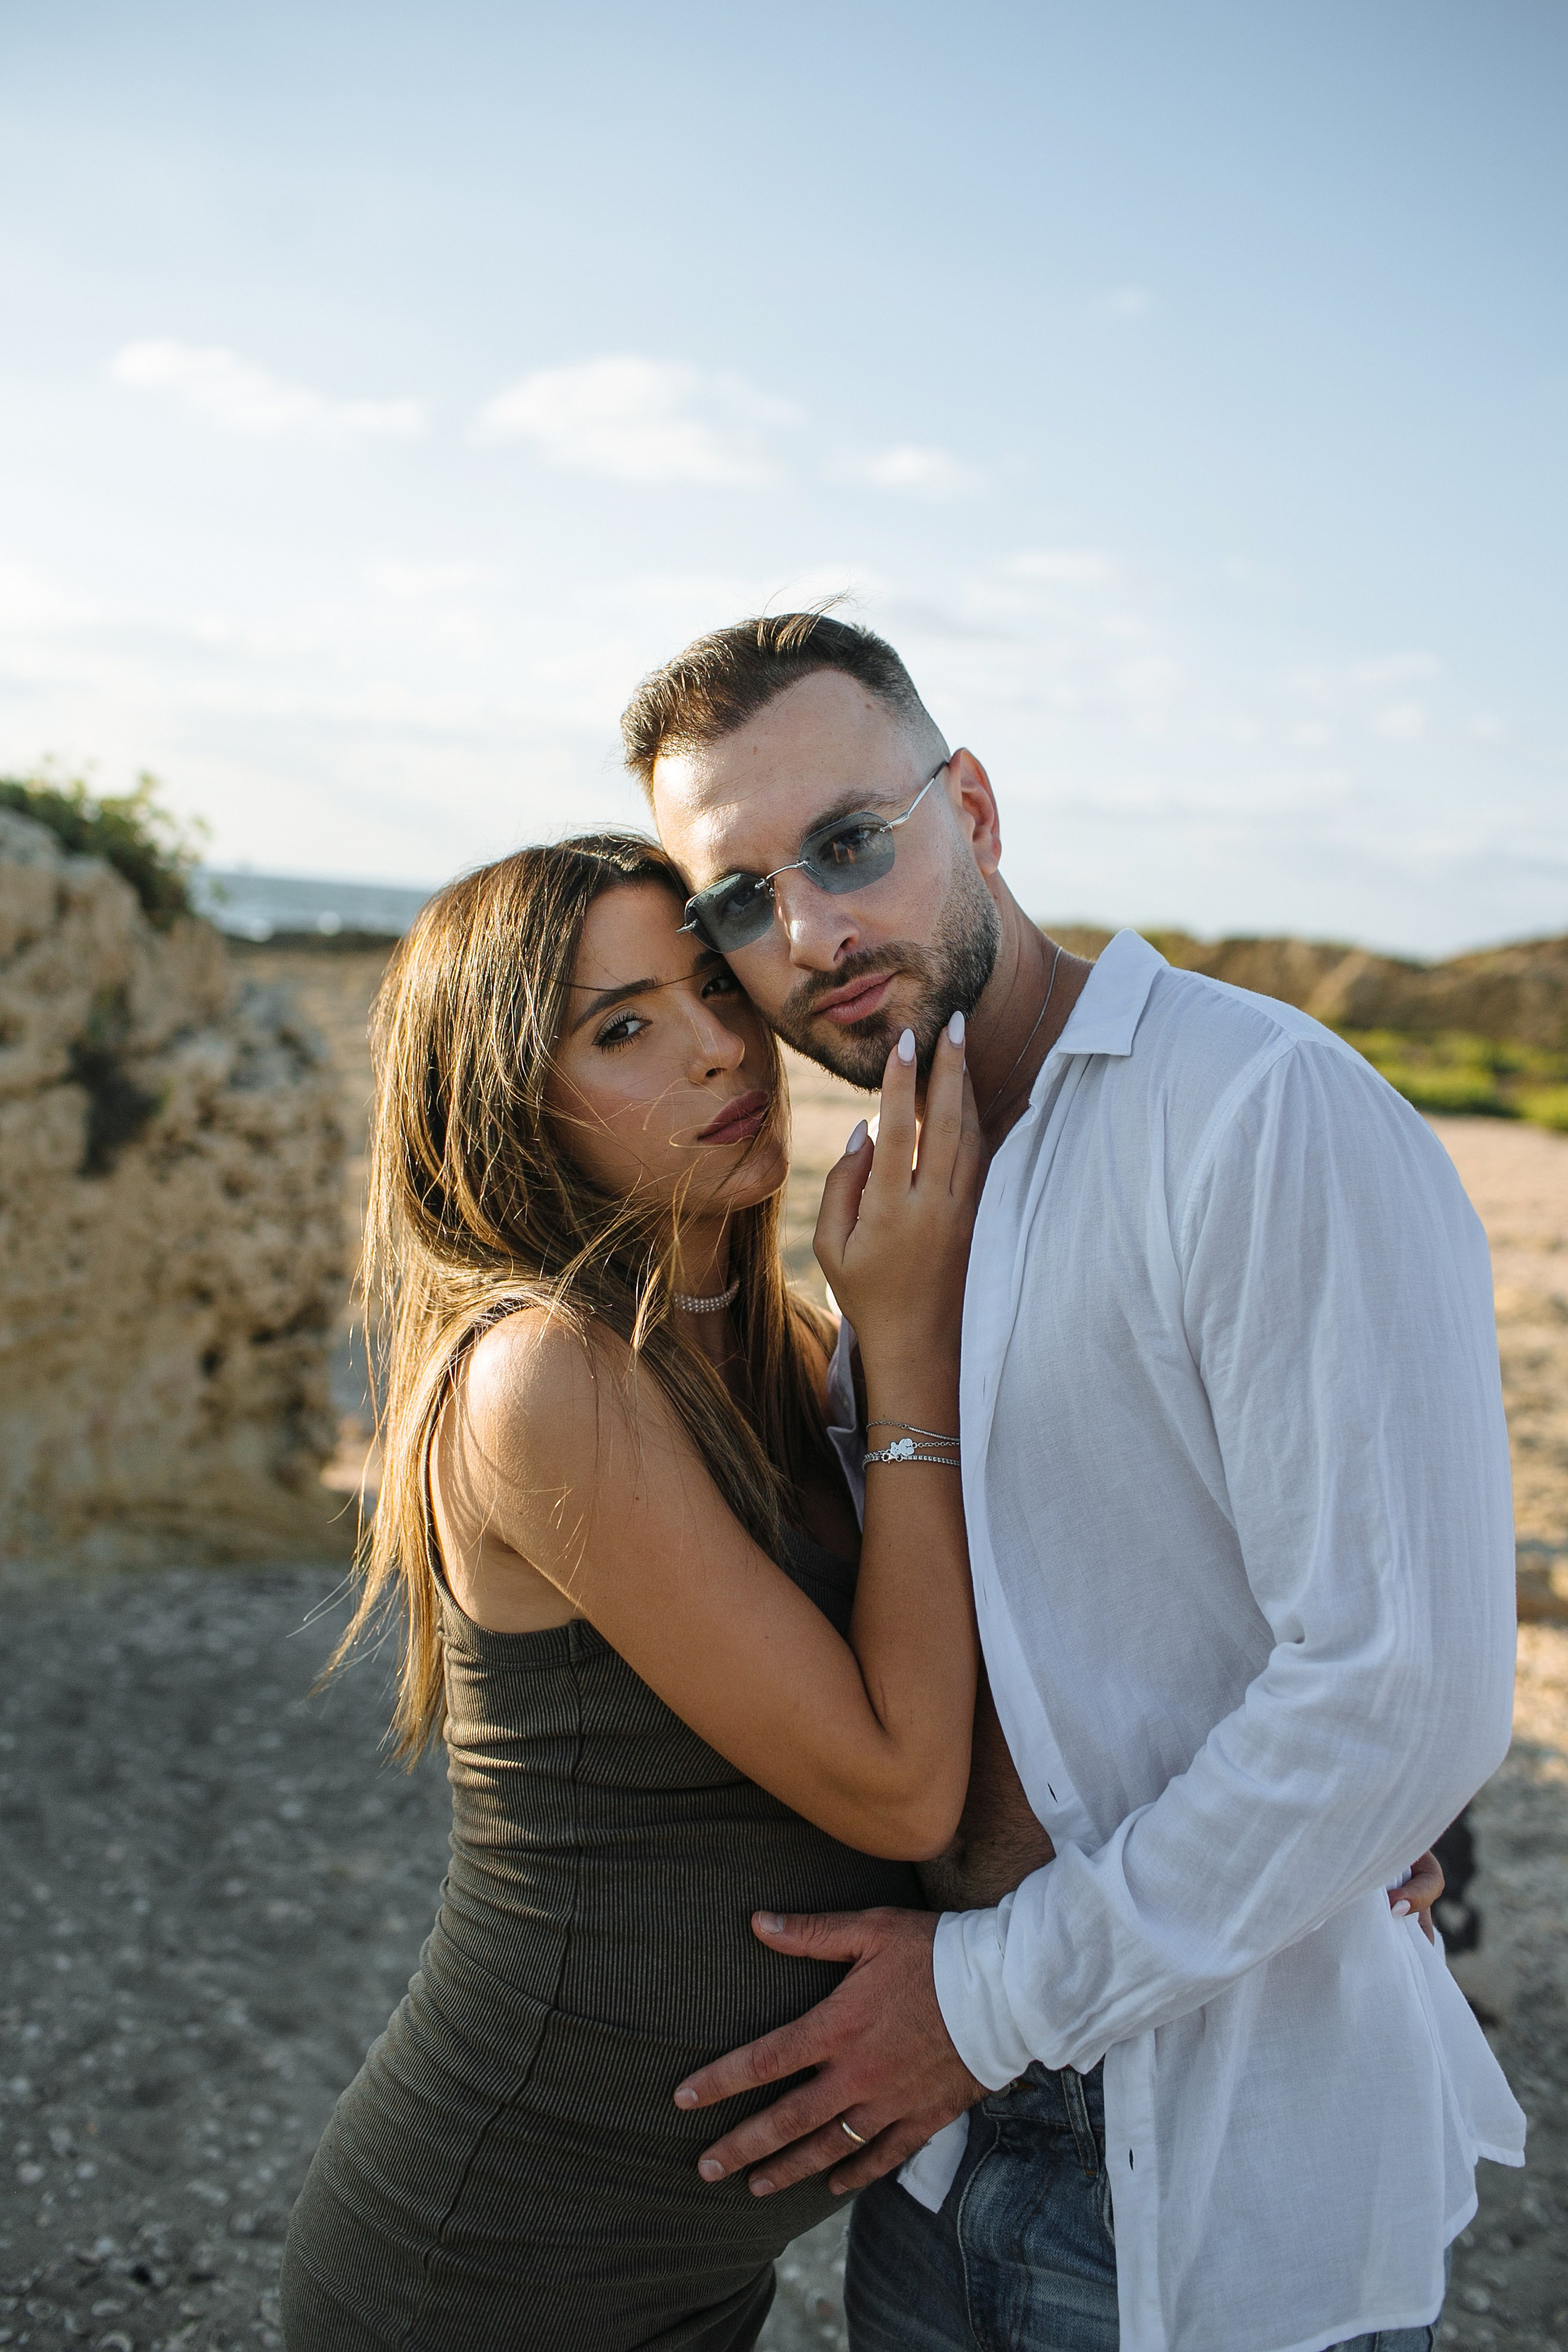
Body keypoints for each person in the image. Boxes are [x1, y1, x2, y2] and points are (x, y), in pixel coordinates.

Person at [627, 612, 1527, 2352]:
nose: (810, 934)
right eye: (738, 899)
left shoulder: (1256, 1111)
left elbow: (1401, 1685)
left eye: (850, 843)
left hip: (1206, 2144)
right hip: (935, 2157)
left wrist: (977, 2003)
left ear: (970, 807)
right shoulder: (892, 1189)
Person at [277, 832, 985, 2351]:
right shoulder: (540, 1375)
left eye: (713, 990)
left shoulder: (789, 1346)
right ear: (507, 1111)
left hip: (678, 2270)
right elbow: (899, 1785)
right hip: (495, 2265)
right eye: (621, 1030)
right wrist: (913, 1346)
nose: (721, 1047)